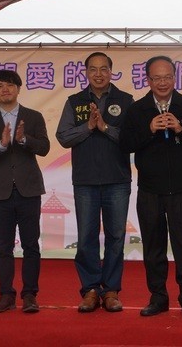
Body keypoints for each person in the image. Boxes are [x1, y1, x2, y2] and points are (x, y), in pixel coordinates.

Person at [120, 55, 182, 318]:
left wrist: (180, 129)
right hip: (149, 190)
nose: (162, 82)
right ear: (147, 80)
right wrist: (149, 129)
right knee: (153, 247)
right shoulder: (138, 110)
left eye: (167, 77)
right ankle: (158, 297)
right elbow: (125, 144)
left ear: (174, 77)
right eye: (156, 78)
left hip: (181, 189)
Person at [56, 52, 133, 313]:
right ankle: (90, 289)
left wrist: (105, 128)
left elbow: (132, 139)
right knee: (86, 237)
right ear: (86, 73)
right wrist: (88, 126)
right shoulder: (75, 101)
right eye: (93, 69)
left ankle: (110, 290)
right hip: (86, 181)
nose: (98, 74)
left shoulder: (125, 101)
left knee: (116, 237)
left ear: (112, 71)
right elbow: (64, 137)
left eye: (103, 69)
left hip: (118, 180)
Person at [0, 69, 50, 313]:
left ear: (19, 88)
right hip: (1, 193)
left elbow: (44, 148)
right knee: (4, 247)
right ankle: (6, 295)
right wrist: (1, 145)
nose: (5, 89)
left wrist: (23, 140)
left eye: (10, 85)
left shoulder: (34, 116)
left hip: (29, 191)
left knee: (31, 246)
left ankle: (30, 295)